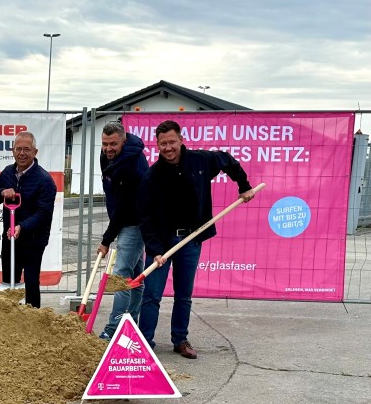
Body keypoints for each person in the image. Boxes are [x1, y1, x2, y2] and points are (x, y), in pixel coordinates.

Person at [138, 120, 256, 359]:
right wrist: (155, 249)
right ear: (157, 146)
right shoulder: (153, 176)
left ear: (181, 140)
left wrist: (244, 186)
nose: (168, 148)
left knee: (184, 294)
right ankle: (144, 342)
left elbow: (228, 160)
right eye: (163, 144)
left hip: (191, 239)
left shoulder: (201, 161)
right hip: (162, 243)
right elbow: (145, 216)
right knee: (151, 295)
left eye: (172, 142)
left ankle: (180, 339)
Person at [0, 131, 56, 308]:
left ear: (35, 152)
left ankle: (33, 317)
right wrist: (2, 192)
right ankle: (8, 316)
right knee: (9, 280)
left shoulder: (44, 180)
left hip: (34, 240)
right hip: (10, 237)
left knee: (31, 282)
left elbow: (43, 213)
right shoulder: (7, 173)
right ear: (13, 150)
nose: (22, 153)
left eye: (27, 149)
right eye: (18, 149)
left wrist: (21, 227)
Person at [96, 121, 149, 340]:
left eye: (113, 144)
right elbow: (113, 195)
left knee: (120, 277)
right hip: (123, 218)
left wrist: (106, 240)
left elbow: (123, 206)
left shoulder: (131, 166)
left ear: (124, 141)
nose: (108, 149)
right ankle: (131, 322)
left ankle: (113, 330)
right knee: (134, 276)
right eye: (105, 144)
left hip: (135, 222)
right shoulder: (107, 156)